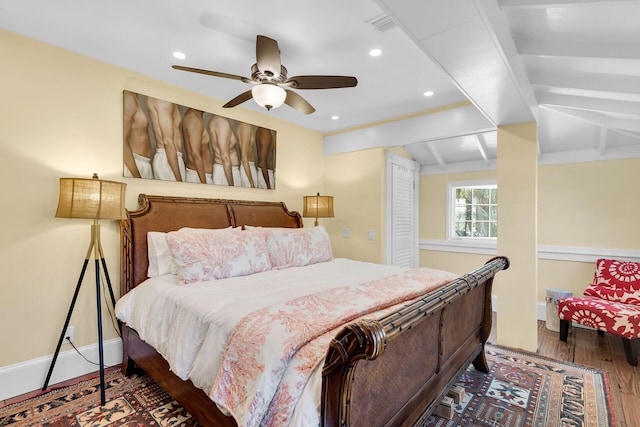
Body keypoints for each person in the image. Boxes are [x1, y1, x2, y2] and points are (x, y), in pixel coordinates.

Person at [146, 96, 184, 182]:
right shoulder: (163, 100)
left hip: (170, 157)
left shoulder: (163, 99)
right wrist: (179, 178)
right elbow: (167, 141)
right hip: (167, 158)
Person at [122, 91, 153, 179]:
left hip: (143, 165)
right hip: (135, 165)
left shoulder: (134, 99)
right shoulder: (129, 98)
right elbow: (122, 141)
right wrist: (137, 177)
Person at [182, 108, 213, 184]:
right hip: (198, 177)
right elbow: (195, 154)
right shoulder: (193, 119)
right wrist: (204, 184)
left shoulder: (196, 117)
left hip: (200, 177)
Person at [209, 115, 240, 186]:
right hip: (226, 173)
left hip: (225, 171)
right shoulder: (222, 123)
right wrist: (232, 185)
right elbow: (225, 157)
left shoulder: (215, 120)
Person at [236, 122, 258, 188]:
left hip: (249, 167)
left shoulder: (244, 126)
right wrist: (251, 182)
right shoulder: (245, 127)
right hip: (247, 168)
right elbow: (244, 159)